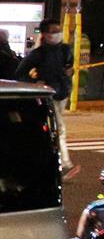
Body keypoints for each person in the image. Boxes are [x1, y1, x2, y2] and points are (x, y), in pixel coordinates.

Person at [23, 20, 74, 173]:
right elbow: (21, 72)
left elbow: (70, 67)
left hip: (62, 93)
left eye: (58, 30)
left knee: (54, 127)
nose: (57, 34)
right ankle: (64, 163)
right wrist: (36, 82)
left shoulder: (65, 49)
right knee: (59, 127)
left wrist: (69, 73)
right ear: (44, 34)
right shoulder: (38, 53)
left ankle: (50, 160)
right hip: (47, 94)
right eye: (53, 31)